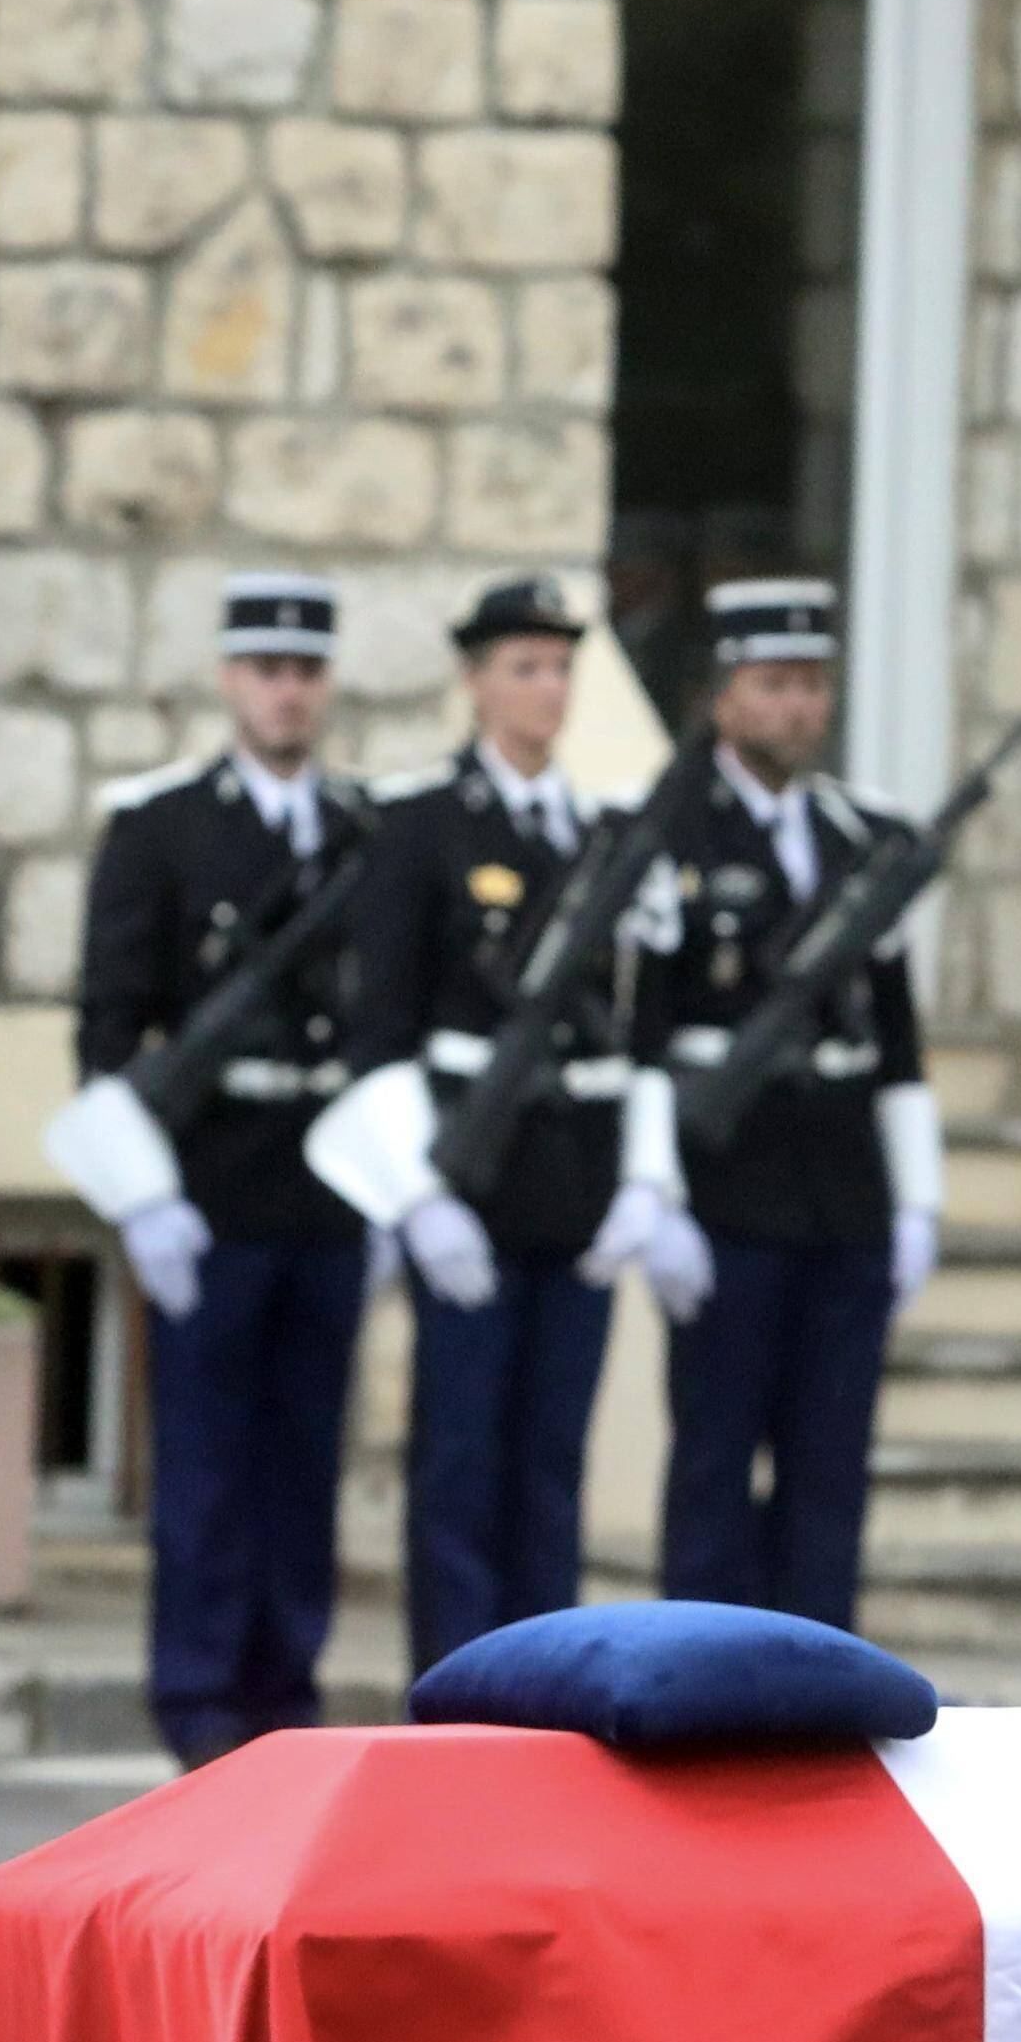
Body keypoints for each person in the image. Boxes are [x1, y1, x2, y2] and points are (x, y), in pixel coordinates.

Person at [65, 573, 369, 1762]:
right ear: (231, 682)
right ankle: (196, 1699)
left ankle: (282, 1691)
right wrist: (141, 1195)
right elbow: (107, 1027)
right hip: (207, 1182)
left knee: (302, 1461)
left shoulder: (364, 832)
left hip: (327, 1184)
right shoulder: (162, 828)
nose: (286, 693)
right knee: (202, 1466)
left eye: (304, 673)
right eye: (266, 672)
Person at [320, 574, 645, 1672]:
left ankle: (548, 1687)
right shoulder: (419, 827)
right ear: (473, 681)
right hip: (468, 1179)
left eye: (559, 668)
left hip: (572, 1178)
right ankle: (462, 1693)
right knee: (459, 1461)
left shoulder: (604, 835)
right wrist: (417, 1199)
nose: (545, 689)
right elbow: (381, 1031)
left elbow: (631, 1029)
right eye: (523, 667)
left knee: (551, 1462)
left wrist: (639, 1186)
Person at [613, 578, 937, 1629]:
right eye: (775, 685)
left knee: (827, 1468)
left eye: (813, 686)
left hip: (840, 1192)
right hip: (726, 1193)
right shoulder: (667, 834)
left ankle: (816, 1699)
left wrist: (915, 1201)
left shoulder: (863, 838)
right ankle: (700, 1695)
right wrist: (655, 1192)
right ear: (723, 699)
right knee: (712, 1462)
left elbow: (894, 1043)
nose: (799, 707)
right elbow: (643, 1034)